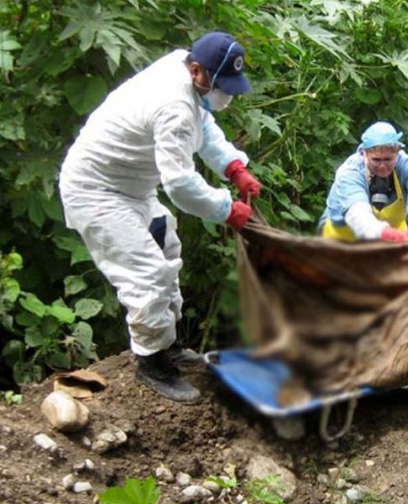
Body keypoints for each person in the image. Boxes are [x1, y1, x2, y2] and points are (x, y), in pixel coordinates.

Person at [59, 31, 262, 403]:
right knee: (147, 273)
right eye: (221, 86)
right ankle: (151, 361)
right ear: (197, 70)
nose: (226, 95)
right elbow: (181, 183)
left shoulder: (182, 68)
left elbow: (204, 124)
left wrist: (233, 166)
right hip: (96, 190)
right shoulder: (173, 105)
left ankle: (167, 344)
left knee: (167, 247)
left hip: (133, 188)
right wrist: (226, 209)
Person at [319, 121, 408, 243]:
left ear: (398, 153)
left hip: (396, 234)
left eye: (388, 159)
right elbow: (357, 214)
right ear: (364, 154)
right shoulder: (350, 172)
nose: (382, 166)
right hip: (344, 238)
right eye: (376, 160)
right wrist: (383, 233)